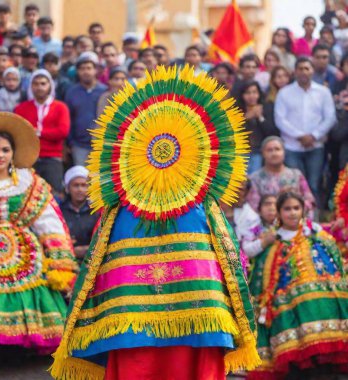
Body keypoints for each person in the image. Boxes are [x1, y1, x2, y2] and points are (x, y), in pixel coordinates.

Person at [50, 64, 260, 380]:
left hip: (137, 313)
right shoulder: (193, 203)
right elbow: (230, 259)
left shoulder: (128, 205)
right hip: (198, 304)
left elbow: (97, 261)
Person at [0, 112, 78, 360]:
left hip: (26, 259)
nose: (0, 155)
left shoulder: (31, 185)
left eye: (5, 150)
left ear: (12, 153)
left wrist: (59, 263)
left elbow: (49, 224)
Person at [248, 191, 348, 379]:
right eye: (287, 209)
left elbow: (334, 252)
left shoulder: (315, 231)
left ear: (303, 210)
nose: (292, 213)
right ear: (278, 213)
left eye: (296, 208)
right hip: (286, 296)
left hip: (322, 292)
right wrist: (264, 243)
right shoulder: (273, 236)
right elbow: (248, 251)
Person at [274, 57, 336, 200]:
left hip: (316, 146)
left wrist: (313, 136)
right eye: (300, 69)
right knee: (295, 186)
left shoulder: (323, 92)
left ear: (312, 71)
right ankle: (295, 219)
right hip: (292, 147)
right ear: (295, 71)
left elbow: (330, 117)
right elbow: (280, 119)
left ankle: (313, 220)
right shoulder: (284, 93)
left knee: (314, 184)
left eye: (307, 68)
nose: (303, 72)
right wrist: (300, 136)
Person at [14, 69, 70, 195]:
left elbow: (62, 131)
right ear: (31, 86)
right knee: (27, 196)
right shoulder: (21, 108)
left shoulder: (61, 107)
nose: (39, 87)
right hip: (28, 159)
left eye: (43, 83)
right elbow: (19, 133)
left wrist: (38, 132)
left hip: (52, 158)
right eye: (36, 84)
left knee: (54, 196)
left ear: (50, 85)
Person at [247, 136, 315, 217]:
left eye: (277, 149)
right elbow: (254, 206)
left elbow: (310, 201)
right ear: (263, 153)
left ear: (284, 152)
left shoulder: (296, 175)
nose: (274, 153)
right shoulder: (255, 178)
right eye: (269, 150)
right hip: (266, 224)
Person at [65, 53, 107, 166]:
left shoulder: (104, 91)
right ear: (77, 71)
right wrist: (71, 142)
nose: (86, 71)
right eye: (82, 69)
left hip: (101, 145)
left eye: (89, 68)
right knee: (82, 179)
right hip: (79, 145)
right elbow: (68, 119)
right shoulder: (72, 92)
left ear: (95, 70)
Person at [60, 166, 100, 262]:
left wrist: (87, 250)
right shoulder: (60, 212)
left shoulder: (96, 212)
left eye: (84, 185)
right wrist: (72, 250)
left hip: (90, 262)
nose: (80, 189)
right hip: (66, 260)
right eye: (75, 185)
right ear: (67, 188)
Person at [237, 81, 277, 174]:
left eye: (254, 92)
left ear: (259, 94)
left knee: (253, 180)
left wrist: (260, 117)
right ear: (242, 95)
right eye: (248, 93)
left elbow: (271, 132)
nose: (251, 96)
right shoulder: (237, 110)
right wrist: (246, 117)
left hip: (258, 151)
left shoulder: (266, 108)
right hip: (241, 152)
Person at [242, 194, 277, 261]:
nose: (272, 207)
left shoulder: (284, 226)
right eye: (267, 204)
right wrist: (264, 242)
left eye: (275, 204)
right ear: (259, 210)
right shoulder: (253, 226)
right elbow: (246, 251)